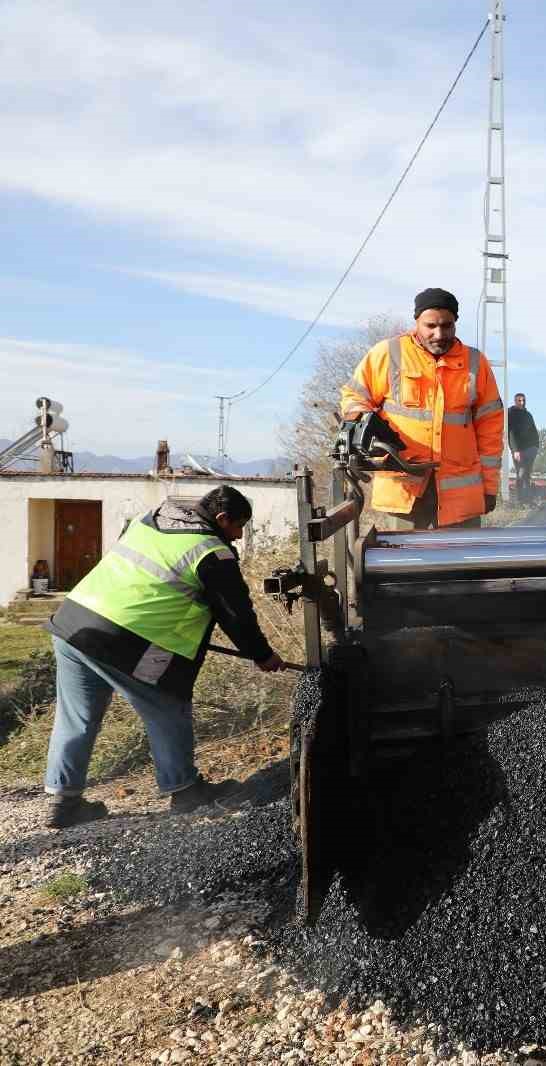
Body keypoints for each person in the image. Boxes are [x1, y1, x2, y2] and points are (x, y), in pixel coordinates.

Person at [40, 486, 285, 829]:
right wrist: (263, 655)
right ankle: (185, 791)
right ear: (221, 519)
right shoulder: (211, 552)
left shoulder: (150, 520)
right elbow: (237, 615)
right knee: (168, 707)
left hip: (74, 623)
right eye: (238, 526)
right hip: (126, 639)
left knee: (76, 719)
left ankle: (63, 803)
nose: (240, 536)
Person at [339, 288, 504, 529]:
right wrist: (363, 422)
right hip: (403, 492)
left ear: (455, 324)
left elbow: (491, 431)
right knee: (403, 565)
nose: (439, 334)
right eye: (431, 326)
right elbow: (354, 395)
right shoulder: (389, 353)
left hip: (460, 500)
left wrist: (489, 487)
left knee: (461, 565)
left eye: (447, 326)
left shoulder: (475, 364)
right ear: (416, 322)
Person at [506, 392, 540, 504]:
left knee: (527, 474)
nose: (522, 402)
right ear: (515, 401)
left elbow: (533, 430)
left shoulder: (528, 414)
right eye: (519, 400)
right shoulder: (510, 413)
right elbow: (510, 432)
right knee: (520, 472)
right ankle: (519, 500)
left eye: (524, 400)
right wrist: (515, 450)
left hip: (531, 448)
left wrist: (536, 445)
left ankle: (527, 500)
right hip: (519, 449)